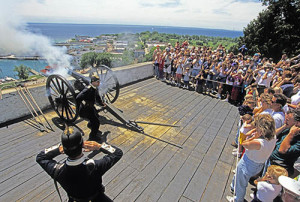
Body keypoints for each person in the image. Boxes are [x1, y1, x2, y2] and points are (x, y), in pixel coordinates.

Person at [36, 126, 123, 202]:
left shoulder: (57, 170)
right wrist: (99, 146)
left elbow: (40, 157)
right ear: (82, 145)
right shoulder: (94, 166)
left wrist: (58, 148)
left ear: (64, 149)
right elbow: (117, 153)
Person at [227, 114, 277, 202]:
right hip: (259, 163)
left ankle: (238, 199)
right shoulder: (273, 137)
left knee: (241, 183)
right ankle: (233, 187)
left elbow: (244, 143)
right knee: (239, 178)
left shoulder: (258, 143)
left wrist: (254, 136)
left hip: (248, 163)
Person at [269, 108, 300, 177]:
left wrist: (291, 133)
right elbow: (271, 136)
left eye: (287, 120)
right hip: (271, 162)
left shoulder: (297, 138)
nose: (285, 121)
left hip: (280, 169)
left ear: (297, 123)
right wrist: (285, 126)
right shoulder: (287, 128)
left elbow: (282, 150)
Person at [76, 75, 104, 141]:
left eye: (99, 81)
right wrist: (82, 105)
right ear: (93, 82)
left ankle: (91, 126)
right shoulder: (87, 89)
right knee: (96, 122)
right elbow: (78, 98)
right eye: (97, 82)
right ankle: (92, 137)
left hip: (91, 108)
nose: (99, 83)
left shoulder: (95, 88)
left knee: (96, 117)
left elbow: (97, 97)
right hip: (85, 110)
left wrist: (102, 104)